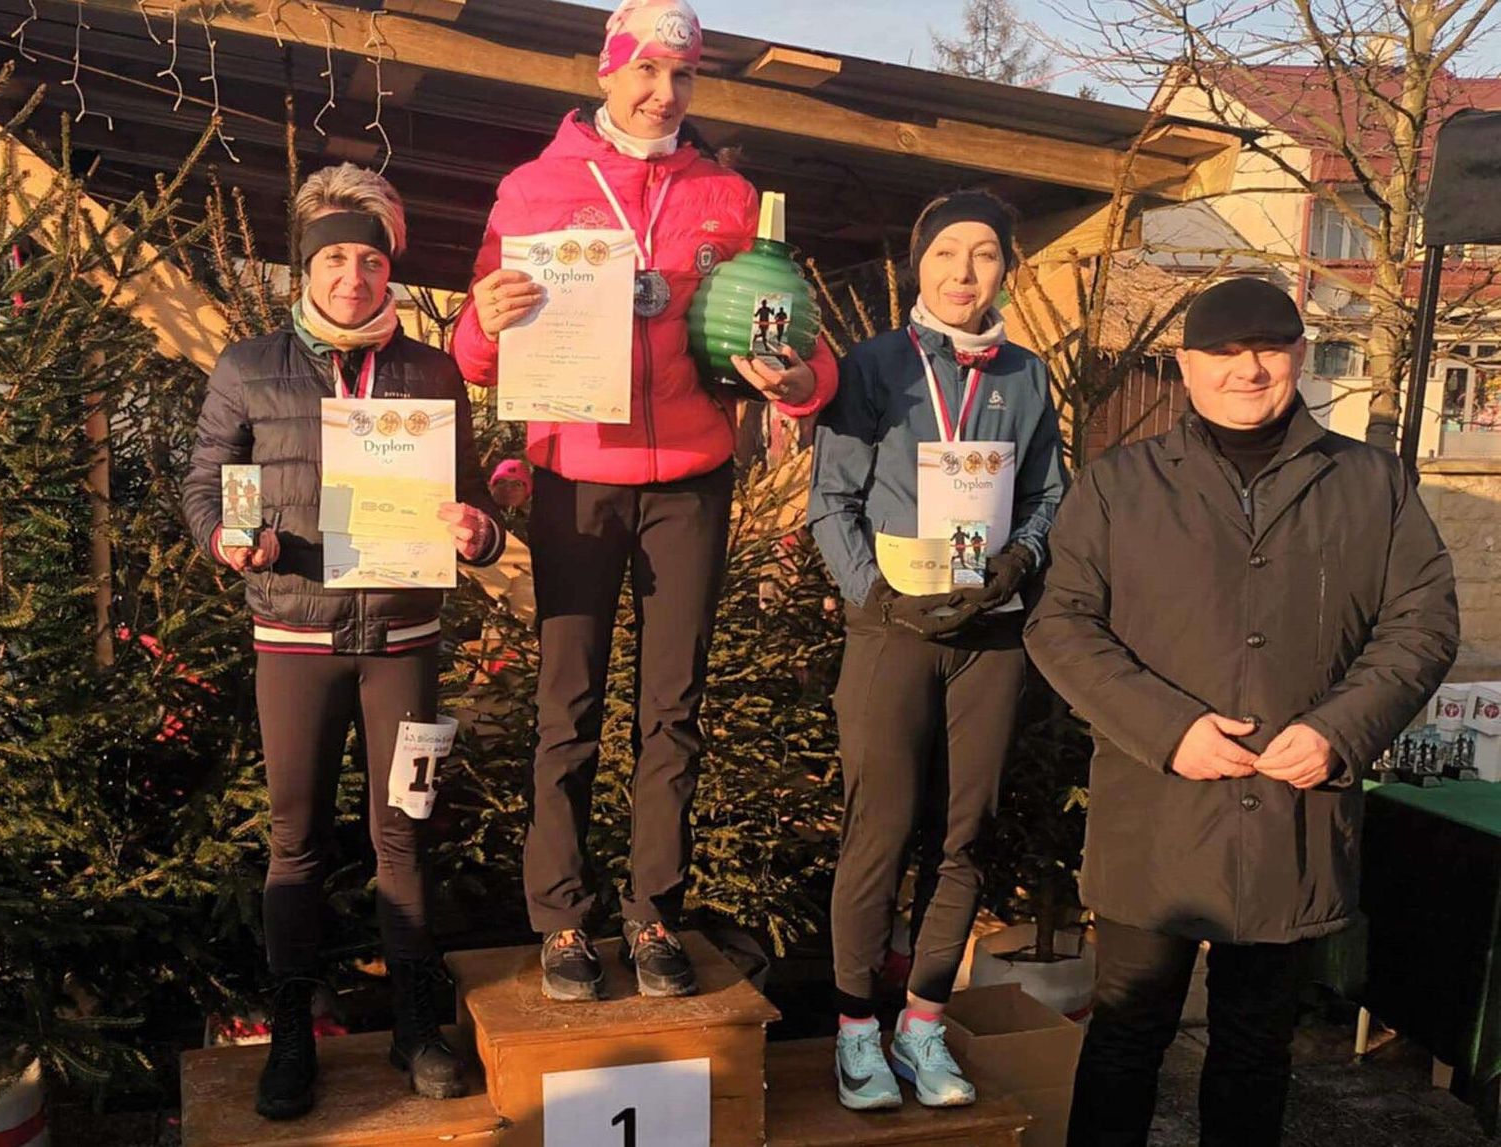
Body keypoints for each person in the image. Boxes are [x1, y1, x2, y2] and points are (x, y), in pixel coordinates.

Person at [452, 0, 838, 1003]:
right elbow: (475, 352)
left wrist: (803, 381)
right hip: (577, 474)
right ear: (606, 70)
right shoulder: (532, 189)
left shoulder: (729, 195)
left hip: (691, 482)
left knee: (674, 709)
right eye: (647, 72)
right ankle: (562, 918)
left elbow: (791, 332)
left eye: (683, 76)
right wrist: (482, 322)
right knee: (568, 704)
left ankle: (654, 909)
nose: (665, 93)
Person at [1023, 277, 1460, 1147]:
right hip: (1157, 812)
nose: (1246, 368)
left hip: (1293, 810)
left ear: (1299, 355)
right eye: (1222, 351)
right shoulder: (1119, 485)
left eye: (1267, 347)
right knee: (1126, 1033)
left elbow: (1423, 621)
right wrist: (1167, 728)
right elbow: (1060, 625)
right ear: (1186, 365)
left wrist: (1340, 728)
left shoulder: (1370, 483)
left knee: (1257, 1045)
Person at [183, 163, 508, 1120]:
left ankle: (414, 1024)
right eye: (334, 260)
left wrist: (480, 531)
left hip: (405, 641)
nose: (353, 277)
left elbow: (470, 495)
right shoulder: (248, 367)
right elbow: (207, 480)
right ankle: (292, 1029)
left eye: (370, 260)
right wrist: (227, 537)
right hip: (294, 635)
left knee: (405, 828)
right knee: (296, 839)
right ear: (308, 267)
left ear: (388, 269)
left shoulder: (431, 372)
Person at [808, 189, 1067, 1111]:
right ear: (919, 262)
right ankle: (856, 1030)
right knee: (878, 830)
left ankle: (922, 1023)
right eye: (947, 251)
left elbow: (1048, 492)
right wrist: (872, 595)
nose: (965, 271)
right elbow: (831, 501)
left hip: (989, 636)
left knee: (966, 832)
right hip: (894, 630)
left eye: (985, 253)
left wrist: (1021, 558)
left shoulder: (1026, 375)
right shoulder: (873, 366)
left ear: (1005, 269)